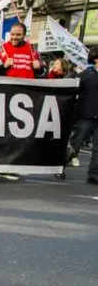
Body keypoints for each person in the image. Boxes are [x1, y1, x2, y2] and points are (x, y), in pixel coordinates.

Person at [0, 23, 45, 181]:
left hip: (28, 98)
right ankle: (4, 166)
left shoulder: (33, 52)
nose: (14, 38)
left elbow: (42, 75)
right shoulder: (3, 50)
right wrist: (3, 66)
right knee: (7, 133)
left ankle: (12, 164)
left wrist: (38, 67)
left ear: (24, 35)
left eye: (18, 35)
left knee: (21, 134)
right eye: (12, 35)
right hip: (7, 97)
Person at [59, 48, 98, 184]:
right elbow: (71, 89)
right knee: (75, 145)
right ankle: (59, 167)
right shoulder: (86, 75)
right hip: (85, 116)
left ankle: (93, 174)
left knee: (97, 149)